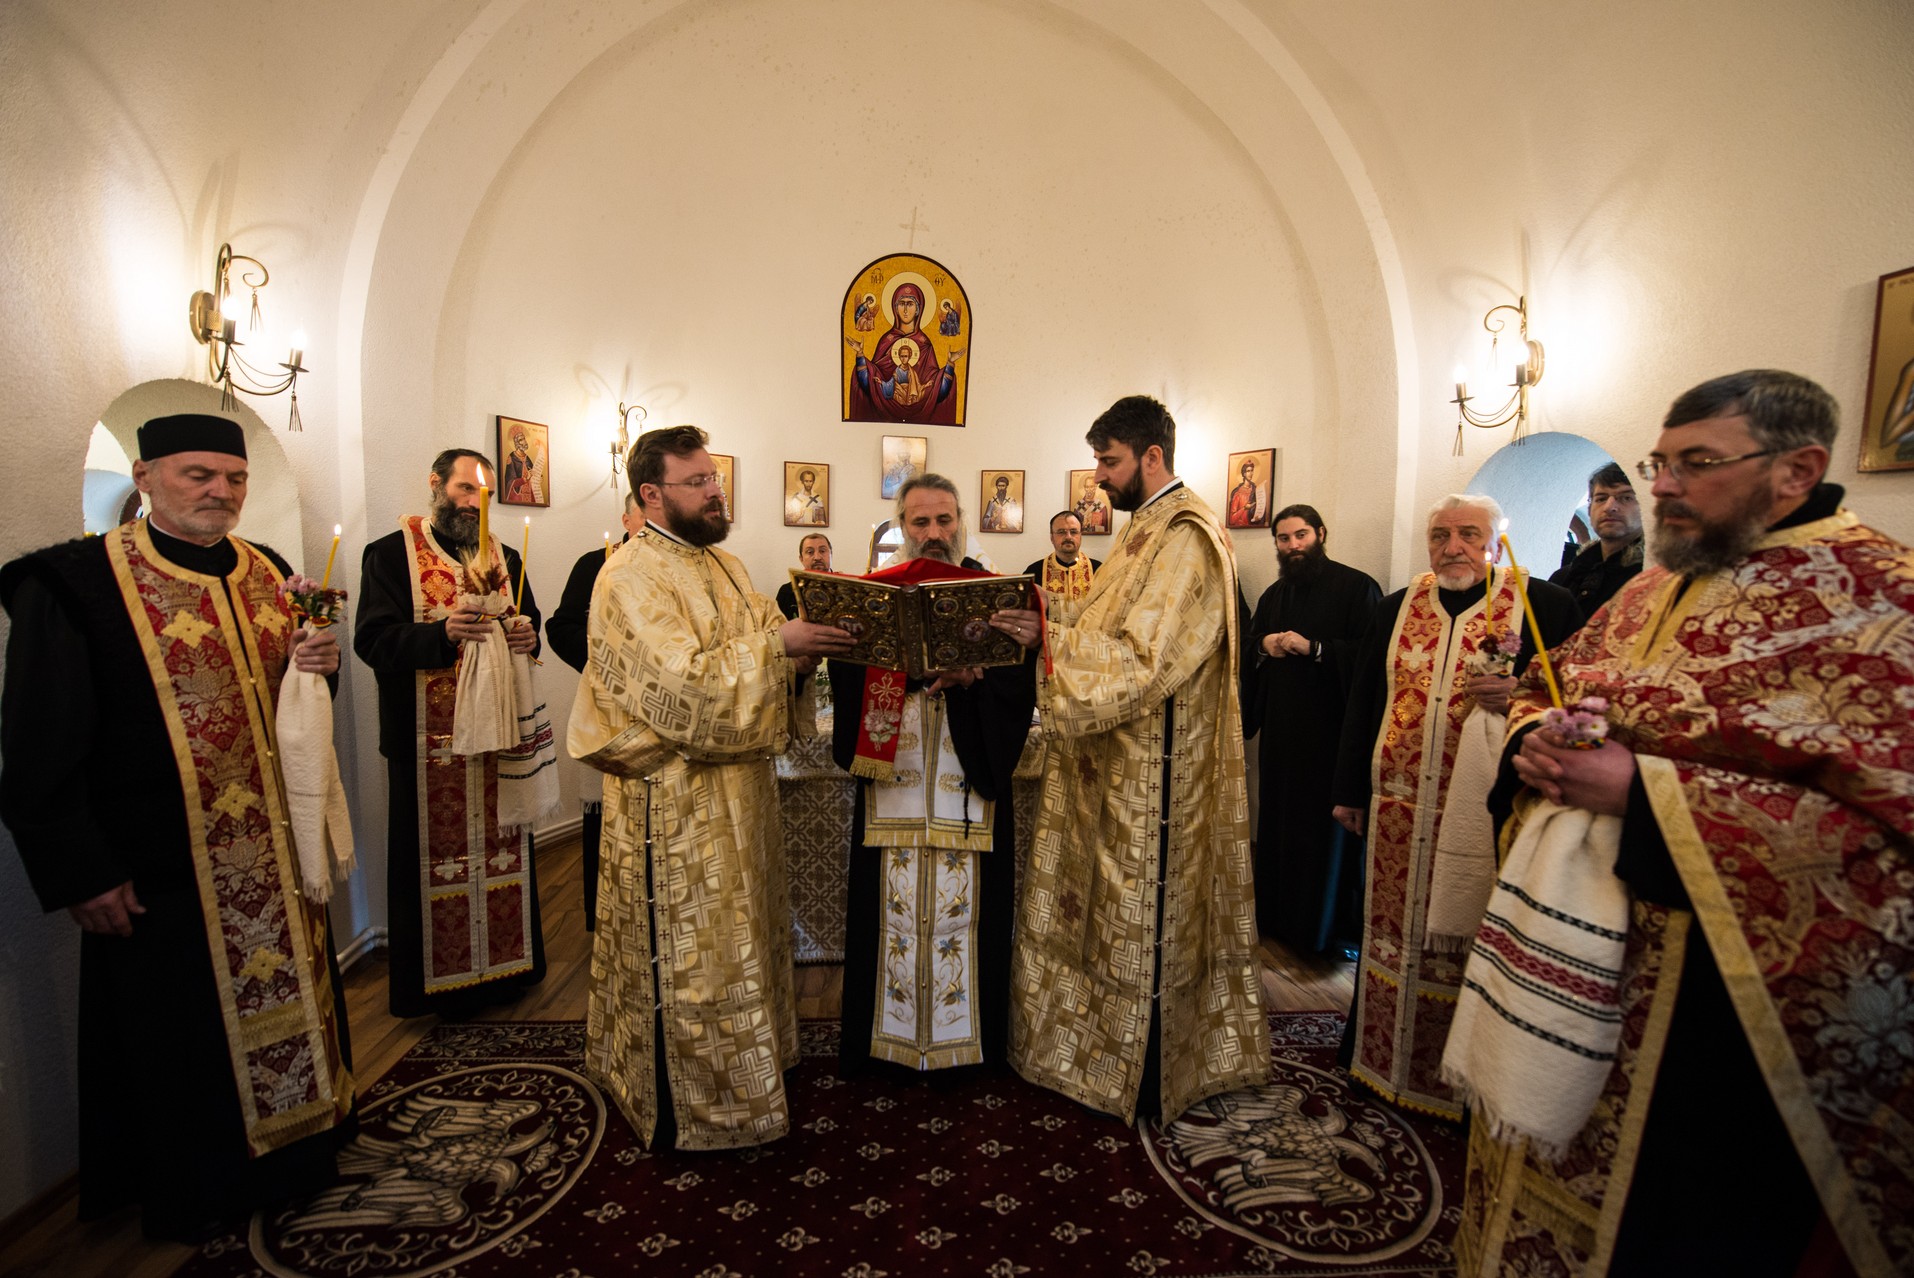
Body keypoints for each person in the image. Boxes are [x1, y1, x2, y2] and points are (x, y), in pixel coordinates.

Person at [1457, 371, 1913, 1278]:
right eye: (1657, 462)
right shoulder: (1656, 584)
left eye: (1696, 463)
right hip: (1573, 940)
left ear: (1797, 470)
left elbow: (1885, 833)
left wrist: (1645, 796)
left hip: (1723, 1010)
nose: (1661, 485)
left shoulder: (1881, 600)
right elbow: (1553, 685)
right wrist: (1532, 739)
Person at [0, 414, 355, 1240]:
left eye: (234, 478)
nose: (221, 492)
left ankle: (300, 1157)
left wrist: (315, 674)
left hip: (275, 855)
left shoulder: (267, 572)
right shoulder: (78, 584)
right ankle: (202, 1190)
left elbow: (290, 708)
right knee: (178, 1037)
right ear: (145, 475)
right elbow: (39, 739)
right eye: (199, 475)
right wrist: (82, 869)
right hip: (163, 867)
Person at [568, 425, 856, 1149]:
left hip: (743, 797)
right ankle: (693, 1103)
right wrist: (778, 648)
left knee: (746, 940)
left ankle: (754, 1070)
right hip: (677, 806)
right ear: (652, 494)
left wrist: (799, 651)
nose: (714, 491)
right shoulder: (628, 576)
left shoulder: (725, 565)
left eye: (715, 478)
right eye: (697, 481)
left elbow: (763, 633)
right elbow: (681, 689)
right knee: (696, 961)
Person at [995, 395, 1269, 1123]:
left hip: (1154, 778)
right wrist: (1044, 618)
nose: (1098, 478)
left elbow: (1146, 662)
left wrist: (1048, 642)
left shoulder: (1184, 537)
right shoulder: (1144, 530)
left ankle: (1141, 1067)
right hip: (1114, 764)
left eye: (1108, 461)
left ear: (1152, 457)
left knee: (1136, 921)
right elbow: (1105, 624)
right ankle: (1089, 1047)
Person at [1328, 494, 1580, 1120]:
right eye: (1440, 535)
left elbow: (1576, 700)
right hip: (1397, 809)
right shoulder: (1397, 607)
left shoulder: (1545, 606)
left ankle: (1467, 1084)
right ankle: (1377, 1059)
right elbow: (1364, 699)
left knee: (1475, 937)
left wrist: (1520, 693)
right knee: (1389, 935)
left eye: (1469, 534)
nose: (1453, 547)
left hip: (1490, 815)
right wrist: (1348, 791)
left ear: (1495, 540)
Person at [829, 474, 1036, 1079]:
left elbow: (1018, 684)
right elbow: (847, 675)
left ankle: (969, 1050)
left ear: (960, 521)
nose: (934, 533)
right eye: (920, 522)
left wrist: (975, 676)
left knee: (968, 916)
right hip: (893, 780)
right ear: (902, 526)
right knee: (888, 912)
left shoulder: (997, 594)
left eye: (944, 520)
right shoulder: (875, 593)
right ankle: (884, 1047)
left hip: (967, 781)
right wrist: (895, 666)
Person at [354, 448, 547, 1018]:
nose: (474, 504)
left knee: (504, 850)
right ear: (436, 484)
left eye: (484, 495)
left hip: (499, 736)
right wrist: (440, 635)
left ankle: (508, 971)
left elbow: (529, 622)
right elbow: (372, 641)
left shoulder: (506, 556)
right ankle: (437, 989)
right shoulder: (391, 553)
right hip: (425, 747)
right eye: (465, 489)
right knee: (428, 863)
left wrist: (528, 637)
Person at [1243, 504, 1380, 954]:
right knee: (1279, 824)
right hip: (1281, 736)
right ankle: (1276, 920)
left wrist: (1316, 649)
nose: (1293, 546)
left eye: (1300, 535)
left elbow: (1370, 661)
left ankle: (1323, 932)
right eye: (1283, 539)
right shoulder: (1273, 595)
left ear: (1320, 533)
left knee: (1323, 835)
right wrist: (1263, 644)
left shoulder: (1357, 588)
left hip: (1331, 737)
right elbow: (1247, 647)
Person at [545, 490, 646, 932]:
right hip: (608, 705)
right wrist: (602, 664)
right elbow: (560, 625)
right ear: (626, 520)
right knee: (606, 813)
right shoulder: (594, 564)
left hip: (664, 712)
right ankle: (604, 917)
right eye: (643, 517)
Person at [845, 282, 963, 424]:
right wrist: (860, 355)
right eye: (901, 304)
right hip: (885, 411)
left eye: (910, 304)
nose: (905, 309)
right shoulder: (886, 340)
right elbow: (871, 385)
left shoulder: (925, 344)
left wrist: (950, 364)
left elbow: (936, 392)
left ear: (918, 309)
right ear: (895, 308)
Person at [1547, 461, 1643, 617]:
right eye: (1601, 498)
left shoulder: (1651, 577)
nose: (1609, 507)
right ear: (1590, 510)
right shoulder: (1563, 578)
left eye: (1626, 498)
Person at [1022, 510, 1102, 626]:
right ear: (1051, 537)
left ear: (1080, 536)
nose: (1068, 537)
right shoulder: (1034, 571)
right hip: (1050, 636)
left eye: (1073, 532)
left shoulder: (1099, 569)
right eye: (1061, 532)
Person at [775, 532, 833, 620]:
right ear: (801, 559)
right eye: (810, 552)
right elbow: (779, 625)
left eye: (822, 551)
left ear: (831, 554)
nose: (817, 557)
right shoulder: (786, 592)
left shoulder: (847, 589)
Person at [501, 423, 541, 504]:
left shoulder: (527, 458)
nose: (524, 441)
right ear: (517, 443)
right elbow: (510, 481)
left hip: (530, 495)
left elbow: (533, 473)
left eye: (524, 438)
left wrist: (538, 478)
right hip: (517, 496)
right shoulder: (511, 458)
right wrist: (525, 479)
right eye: (521, 440)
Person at [1226, 457, 1268, 528]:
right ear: (1244, 473)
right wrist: (1244, 508)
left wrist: (1258, 519)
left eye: (1252, 471)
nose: (1251, 473)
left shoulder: (1256, 491)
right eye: (1248, 471)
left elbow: (1259, 511)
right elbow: (1232, 519)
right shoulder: (1237, 493)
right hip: (1240, 528)